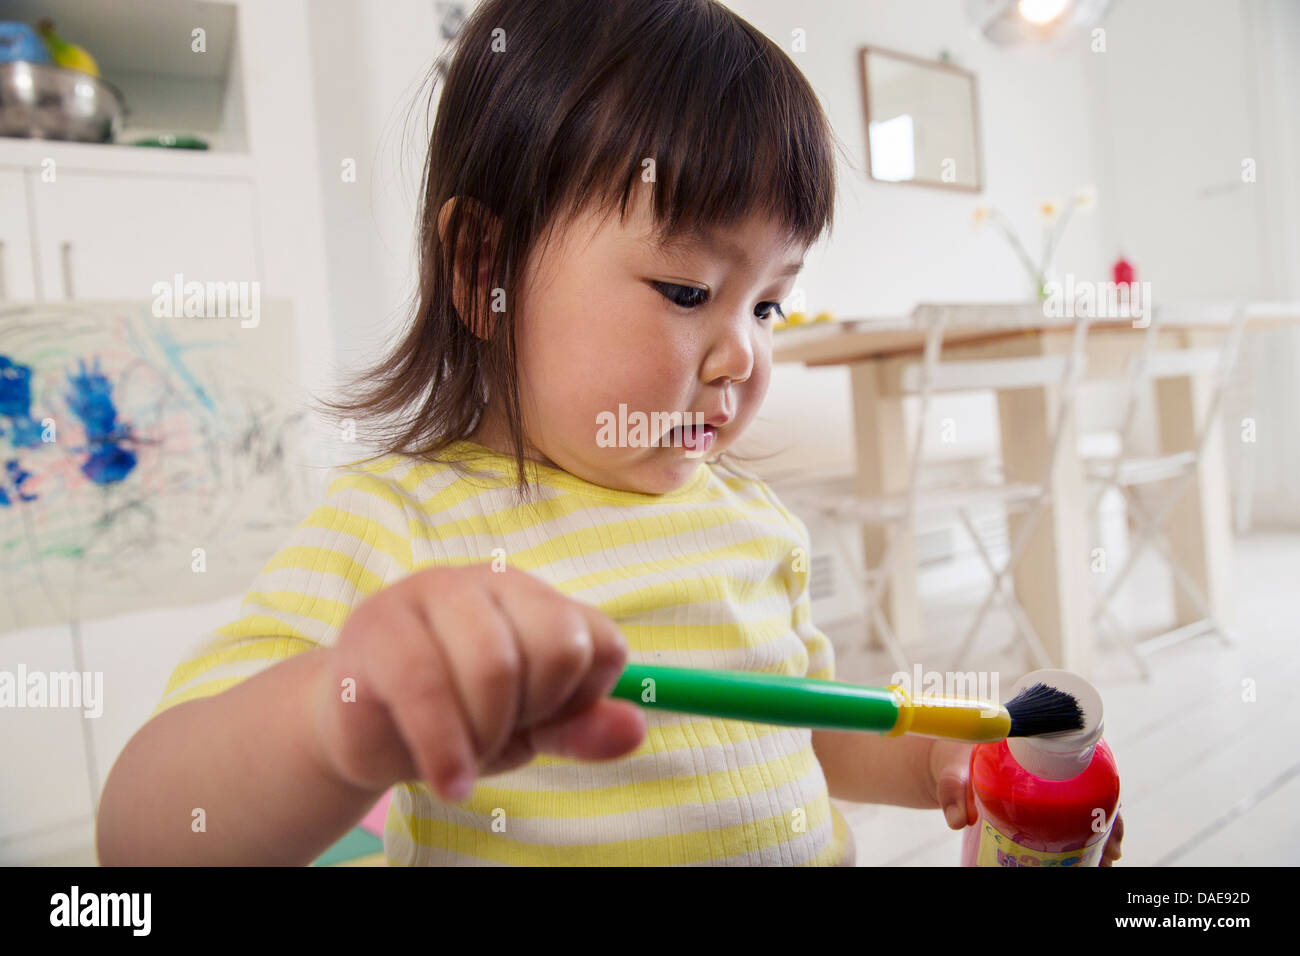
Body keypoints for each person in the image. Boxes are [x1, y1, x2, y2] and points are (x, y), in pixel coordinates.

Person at [96, 0, 1122, 867]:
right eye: (687, 289)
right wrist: (334, 716)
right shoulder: (401, 524)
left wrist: (937, 757)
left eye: (767, 306)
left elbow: (805, 727)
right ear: (481, 270)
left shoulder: (745, 517)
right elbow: (147, 827)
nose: (743, 358)